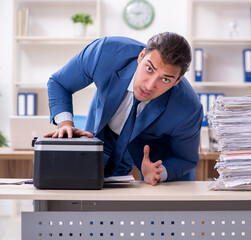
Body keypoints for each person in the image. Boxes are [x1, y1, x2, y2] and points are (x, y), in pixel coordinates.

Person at [45, 32, 203, 186]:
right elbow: (59, 83)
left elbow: (187, 158)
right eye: (149, 69)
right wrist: (65, 124)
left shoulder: (188, 109)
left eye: (165, 79)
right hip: (104, 137)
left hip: (155, 155)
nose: (149, 86)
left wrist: (160, 172)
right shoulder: (105, 53)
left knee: (165, 209)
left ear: (177, 81)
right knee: (88, 199)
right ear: (141, 56)